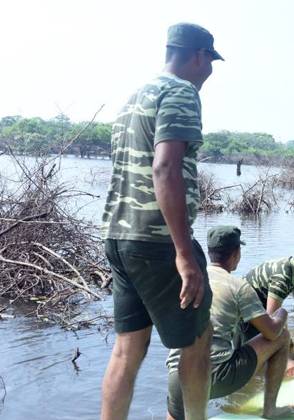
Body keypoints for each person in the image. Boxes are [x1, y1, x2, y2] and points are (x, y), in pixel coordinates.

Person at [100, 23, 223, 420]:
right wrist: (184, 254)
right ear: (199, 55)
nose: (209, 72)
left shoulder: (134, 97)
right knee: (197, 340)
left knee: (127, 348)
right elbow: (165, 167)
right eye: (210, 62)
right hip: (159, 242)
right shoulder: (181, 91)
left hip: (120, 237)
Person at [166, 226, 294, 420]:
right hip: (215, 377)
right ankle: (270, 410)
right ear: (237, 253)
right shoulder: (238, 286)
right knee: (282, 336)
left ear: (209, 252)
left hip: (177, 377)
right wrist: (282, 313)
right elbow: (271, 333)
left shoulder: (186, 280)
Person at [242, 236, 294, 377]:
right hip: (245, 312)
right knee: (255, 359)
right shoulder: (283, 277)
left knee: (289, 345)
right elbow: (270, 321)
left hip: (261, 305)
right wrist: (285, 360)